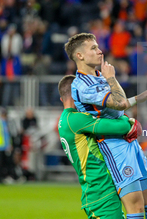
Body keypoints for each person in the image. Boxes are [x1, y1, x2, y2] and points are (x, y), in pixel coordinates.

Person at [65, 33, 147, 219]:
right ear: (80, 56)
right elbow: (120, 103)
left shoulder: (99, 76)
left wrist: (139, 97)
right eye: (93, 48)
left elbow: (122, 103)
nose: (100, 51)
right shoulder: (83, 85)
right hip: (114, 146)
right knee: (136, 207)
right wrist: (112, 78)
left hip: (130, 142)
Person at [58, 75, 140, 219]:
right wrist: (129, 120)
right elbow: (119, 127)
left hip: (94, 190)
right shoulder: (76, 119)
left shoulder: (65, 120)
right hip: (100, 190)